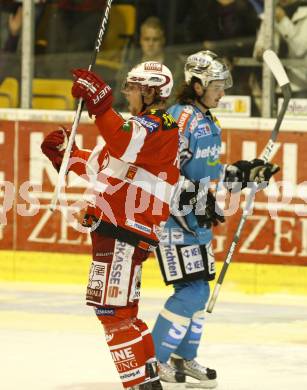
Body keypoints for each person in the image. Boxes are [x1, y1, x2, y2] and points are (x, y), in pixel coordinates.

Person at [41, 61, 180, 390]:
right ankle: (149, 382)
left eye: (133, 86)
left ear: (150, 91)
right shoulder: (143, 127)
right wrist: (65, 154)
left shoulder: (160, 125)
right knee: (125, 313)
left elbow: (121, 143)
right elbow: (103, 164)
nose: (127, 92)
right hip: (120, 229)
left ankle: (138, 387)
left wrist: (100, 102)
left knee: (112, 314)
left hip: (124, 229)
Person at [151, 50, 280, 388]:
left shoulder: (208, 120)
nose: (223, 92)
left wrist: (244, 173)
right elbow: (160, 171)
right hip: (174, 222)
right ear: (197, 86)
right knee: (192, 294)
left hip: (196, 222)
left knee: (197, 291)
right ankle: (153, 362)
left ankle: (182, 357)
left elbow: (209, 172)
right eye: (217, 86)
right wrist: (193, 200)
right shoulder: (180, 119)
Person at [114, 16, 183, 111]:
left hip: (165, 119)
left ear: (163, 40)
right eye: (147, 39)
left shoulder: (176, 67)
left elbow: (176, 101)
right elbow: (118, 102)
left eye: (155, 39)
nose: (150, 44)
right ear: (141, 41)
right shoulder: (128, 67)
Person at [253, 0, 307, 98]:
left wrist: (282, 21)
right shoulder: (270, 13)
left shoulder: (304, 14)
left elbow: (299, 49)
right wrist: (260, 51)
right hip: (271, 85)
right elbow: (259, 47)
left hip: (299, 86)